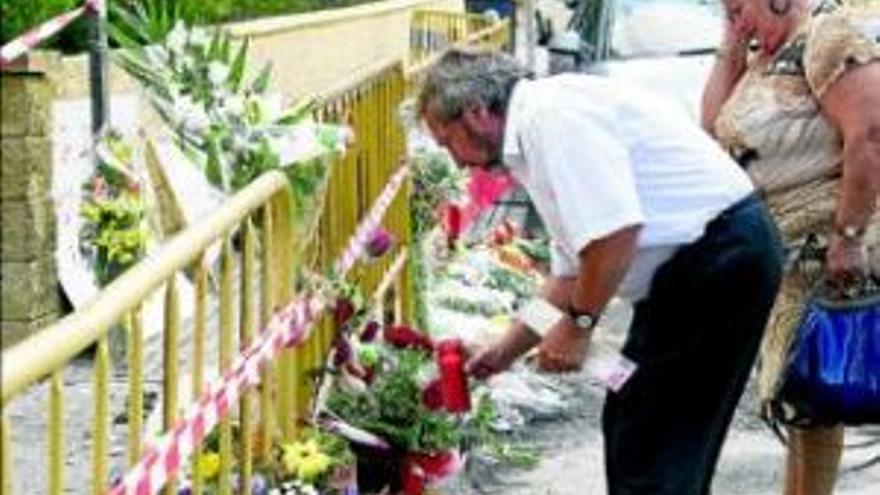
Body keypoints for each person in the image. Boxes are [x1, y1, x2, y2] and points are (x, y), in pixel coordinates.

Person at [418, 47, 784, 495]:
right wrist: (506, 351)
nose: (455, 161)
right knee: (640, 416)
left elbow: (614, 234)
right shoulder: (535, 130)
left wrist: (578, 327)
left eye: (446, 140)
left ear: (475, 112)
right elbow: (569, 273)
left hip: (718, 262)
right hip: (698, 269)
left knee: (654, 434)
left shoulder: (552, 118)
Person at [701, 0, 880, 493]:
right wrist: (732, 45)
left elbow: (869, 134)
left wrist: (849, 238)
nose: (736, 20)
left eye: (740, 8)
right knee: (812, 400)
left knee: (829, 390)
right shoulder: (764, 57)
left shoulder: (827, 37)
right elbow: (712, 131)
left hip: (833, 247)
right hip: (789, 254)